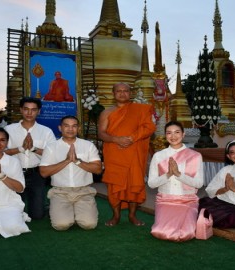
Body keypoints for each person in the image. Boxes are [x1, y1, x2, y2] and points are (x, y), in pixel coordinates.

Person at [98, 82, 156, 226]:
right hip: (115, 154)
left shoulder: (140, 109)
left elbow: (149, 127)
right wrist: (115, 139)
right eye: (119, 91)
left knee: (134, 184)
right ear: (113, 93)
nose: (122, 93)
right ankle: (116, 216)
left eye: (125, 91)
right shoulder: (106, 112)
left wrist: (132, 138)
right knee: (114, 185)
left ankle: (132, 215)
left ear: (130, 94)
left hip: (134, 154)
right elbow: (101, 133)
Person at [39, 116, 102, 230]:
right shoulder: (51, 147)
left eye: (74, 126)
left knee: (89, 225)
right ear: (60, 128)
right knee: (61, 225)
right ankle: (56, 208)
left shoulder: (88, 145)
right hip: (60, 192)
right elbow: (44, 172)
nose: (70, 129)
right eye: (66, 126)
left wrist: (77, 162)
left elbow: (97, 169)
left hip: (84, 191)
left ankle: (76, 212)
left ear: (78, 128)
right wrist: (67, 161)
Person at [148, 121, 204, 242]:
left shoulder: (195, 155)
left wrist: (178, 174)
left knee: (186, 234)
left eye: (177, 132)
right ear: (165, 135)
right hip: (165, 200)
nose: (173, 136)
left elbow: (199, 184)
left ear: (183, 134)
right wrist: (168, 174)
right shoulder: (158, 156)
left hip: (187, 200)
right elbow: (151, 184)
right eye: (169, 133)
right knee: (160, 232)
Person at [4, 97, 56, 219]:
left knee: (37, 215)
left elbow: (53, 155)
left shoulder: (46, 131)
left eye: (33, 110)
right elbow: (0, 152)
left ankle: (46, 206)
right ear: (21, 110)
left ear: (39, 111)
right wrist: (20, 149)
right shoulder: (9, 130)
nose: (29, 113)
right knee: (13, 213)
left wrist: (33, 149)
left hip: (36, 173)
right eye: (26, 109)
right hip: (14, 172)